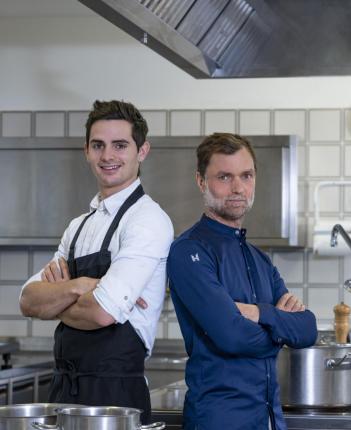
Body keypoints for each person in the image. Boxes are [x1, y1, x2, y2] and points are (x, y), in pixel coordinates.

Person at [19, 100, 174, 424]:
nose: (107, 156)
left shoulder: (147, 220)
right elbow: (29, 300)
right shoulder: (78, 227)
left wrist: (60, 297)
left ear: (141, 151)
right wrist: (82, 285)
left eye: (120, 145)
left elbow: (101, 312)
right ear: (86, 151)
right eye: (98, 145)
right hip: (63, 390)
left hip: (115, 397)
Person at [167, 133, 318, 430]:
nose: (238, 188)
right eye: (224, 177)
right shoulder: (189, 251)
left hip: (269, 418)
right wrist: (279, 332)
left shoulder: (259, 259)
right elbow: (232, 336)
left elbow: (307, 329)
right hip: (219, 419)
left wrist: (259, 313)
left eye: (246, 176)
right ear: (201, 181)